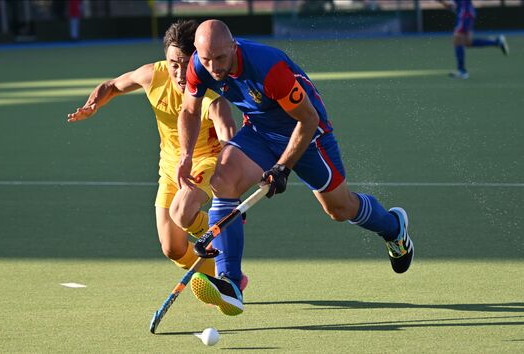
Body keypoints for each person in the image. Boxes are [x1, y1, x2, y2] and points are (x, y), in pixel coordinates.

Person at [177, 20, 414, 316]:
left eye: (220, 58)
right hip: (260, 131)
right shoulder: (199, 66)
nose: (213, 66)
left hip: (308, 135)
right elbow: (189, 110)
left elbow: (308, 119)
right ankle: (231, 283)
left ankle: (394, 227)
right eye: (206, 59)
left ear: (233, 46)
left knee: (339, 209)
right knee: (223, 180)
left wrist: (282, 168)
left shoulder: (269, 68)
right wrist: (185, 155)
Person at [67, 20, 247, 287]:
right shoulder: (153, 75)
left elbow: (226, 127)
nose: (179, 71)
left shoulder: (209, 89)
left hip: (207, 161)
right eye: (174, 63)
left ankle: (221, 235)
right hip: (170, 166)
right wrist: (93, 104)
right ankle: (226, 279)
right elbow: (113, 85)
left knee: (183, 212)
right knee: (172, 248)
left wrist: (233, 168)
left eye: (186, 63)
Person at [439, 0, 509, 79]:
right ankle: (497, 42)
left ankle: (462, 71)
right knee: (467, 42)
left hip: (465, 13)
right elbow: (451, 6)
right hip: (464, 12)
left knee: (457, 39)